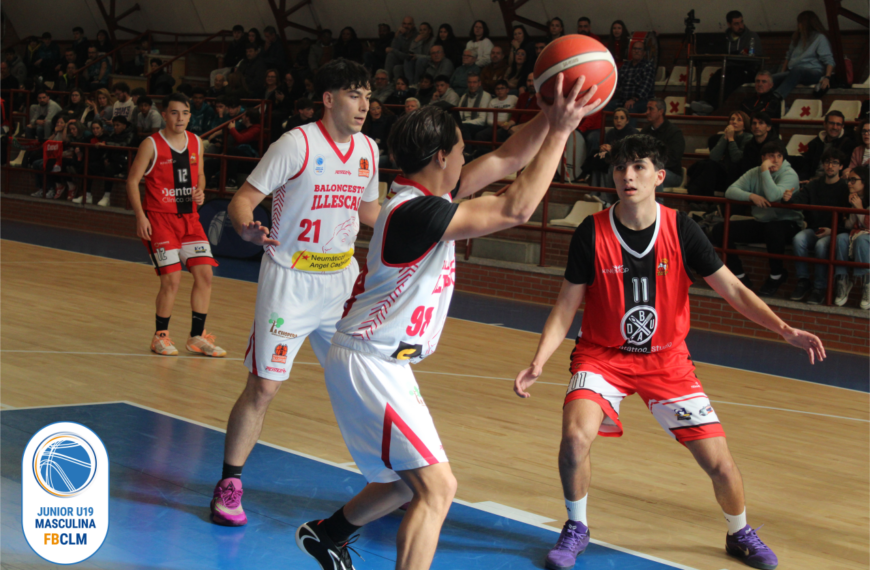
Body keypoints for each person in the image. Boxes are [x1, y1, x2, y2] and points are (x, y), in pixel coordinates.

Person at [296, 73, 600, 570]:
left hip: (381, 362)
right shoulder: (417, 213)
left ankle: (328, 535)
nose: (466, 159)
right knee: (438, 488)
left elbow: (506, 160)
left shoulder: (422, 194)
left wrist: (549, 115)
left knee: (401, 482)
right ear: (440, 157)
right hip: (369, 362)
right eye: (460, 150)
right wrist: (564, 133)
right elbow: (515, 207)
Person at [514, 133, 824, 570]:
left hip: (667, 360)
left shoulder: (681, 228)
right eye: (621, 168)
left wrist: (783, 327)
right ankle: (576, 526)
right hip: (603, 355)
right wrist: (539, 360)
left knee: (719, 463)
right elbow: (566, 304)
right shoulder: (592, 231)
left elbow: (732, 288)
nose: (627, 175)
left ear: (659, 176)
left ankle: (740, 533)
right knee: (573, 438)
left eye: (638, 167)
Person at [209, 59, 382, 528]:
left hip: (342, 283)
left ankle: (388, 481)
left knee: (365, 382)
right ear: (328, 99)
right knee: (264, 386)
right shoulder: (297, 143)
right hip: (290, 278)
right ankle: (229, 483)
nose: (364, 105)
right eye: (353, 94)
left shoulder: (369, 150)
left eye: (367, 95)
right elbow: (244, 199)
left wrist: (418, 221)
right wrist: (245, 229)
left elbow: (371, 213)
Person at [125, 92, 224, 358]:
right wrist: (140, 215)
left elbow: (200, 175)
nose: (180, 118)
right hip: (160, 219)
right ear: (165, 115)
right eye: (174, 112)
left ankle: (197, 337)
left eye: (185, 113)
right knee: (172, 280)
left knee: (205, 275)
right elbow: (133, 181)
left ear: (190, 115)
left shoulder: (196, 142)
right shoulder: (151, 144)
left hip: (190, 219)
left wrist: (201, 191)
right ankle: (161, 337)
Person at [711, 141, 802, 295]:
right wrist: (751, 196)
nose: (776, 159)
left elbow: (773, 196)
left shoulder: (790, 174)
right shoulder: (754, 172)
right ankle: (739, 276)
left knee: (773, 230)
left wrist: (765, 170)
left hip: (788, 223)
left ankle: (777, 275)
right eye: (771, 156)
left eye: (779, 156)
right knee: (720, 230)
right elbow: (730, 191)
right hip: (763, 222)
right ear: (763, 158)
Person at [785, 148, 851, 304]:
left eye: (835, 163)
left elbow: (849, 220)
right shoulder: (814, 185)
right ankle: (803, 281)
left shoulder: (845, 188)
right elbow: (798, 200)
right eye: (827, 162)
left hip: (834, 231)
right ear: (823, 164)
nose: (830, 166)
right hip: (815, 229)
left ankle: (820, 288)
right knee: (798, 239)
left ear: (841, 167)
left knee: (822, 246)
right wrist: (788, 199)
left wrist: (833, 230)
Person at [690, 11, 764, 116]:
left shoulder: (752, 36)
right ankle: (705, 103)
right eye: (736, 24)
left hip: (748, 70)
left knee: (729, 79)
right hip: (730, 68)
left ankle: (712, 107)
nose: (741, 26)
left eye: (741, 22)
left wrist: (745, 54)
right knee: (716, 76)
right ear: (729, 24)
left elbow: (758, 55)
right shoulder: (724, 38)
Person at [686, 110, 752, 197]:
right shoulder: (725, 136)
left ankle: (703, 199)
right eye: (732, 119)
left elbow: (736, 158)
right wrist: (725, 137)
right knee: (706, 164)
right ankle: (699, 198)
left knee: (709, 167)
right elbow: (714, 157)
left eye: (739, 120)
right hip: (724, 172)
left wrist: (731, 139)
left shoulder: (748, 138)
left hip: (737, 175)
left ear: (745, 125)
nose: (734, 122)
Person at [773, 11, 834, 99]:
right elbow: (788, 56)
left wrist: (827, 77)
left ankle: (777, 97)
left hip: (813, 72)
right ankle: (769, 101)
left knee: (798, 70)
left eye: (799, 23)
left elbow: (829, 60)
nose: (798, 25)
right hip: (793, 72)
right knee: (771, 79)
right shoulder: (797, 38)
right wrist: (782, 73)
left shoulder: (820, 38)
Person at [834, 165, 870, 308]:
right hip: (857, 234)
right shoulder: (852, 198)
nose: (849, 183)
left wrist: (860, 209)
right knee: (841, 238)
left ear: (865, 181)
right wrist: (853, 209)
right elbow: (849, 226)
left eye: (853, 180)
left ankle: (867, 283)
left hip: (865, 236)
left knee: (861, 240)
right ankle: (842, 280)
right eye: (849, 180)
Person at [580, 107, 636, 187]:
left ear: (627, 121)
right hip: (610, 156)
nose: (618, 121)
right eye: (616, 118)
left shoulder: (632, 133)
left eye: (622, 118)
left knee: (607, 163)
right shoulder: (611, 132)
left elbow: (631, 150)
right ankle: (594, 192)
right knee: (597, 158)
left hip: (625, 159)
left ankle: (604, 196)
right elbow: (607, 146)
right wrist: (603, 148)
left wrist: (613, 149)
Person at [604, 41, 654, 125]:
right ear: (631, 51)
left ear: (644, 52)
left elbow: (646, 86)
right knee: (605, 107)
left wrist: (634, 99)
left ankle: (630, 136)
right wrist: (606, 96)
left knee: (630, 108)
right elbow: (616, 83)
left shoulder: (648, 66)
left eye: (639, 49)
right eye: (634, 49)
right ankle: (605, 133)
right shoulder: (625, 66)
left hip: (642, 101)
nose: (636, 51)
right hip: (623, 100)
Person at [640, 99, 685, 189]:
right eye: (647, 109)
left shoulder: (674, 132)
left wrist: (653, 166)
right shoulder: (645, 131)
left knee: (655, 174)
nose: (647, 112)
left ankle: (657, 203)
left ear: (661, 111)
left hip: (671, 173)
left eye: (651, 109)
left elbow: (674, 158)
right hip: (648, 168)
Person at [800, 110, 855, 182]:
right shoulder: (815, 143)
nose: (834, 127)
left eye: (838, 124)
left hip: (833, 184)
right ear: (825, 124)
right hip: (812, 182)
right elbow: (806, 167)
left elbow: (844, 170)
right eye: (832, 123)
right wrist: (804, 180)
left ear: (842, 126)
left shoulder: (848, 145)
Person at [471, 80, 517, 154]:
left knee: (499, 134)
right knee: (479, 135)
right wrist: (499, 123)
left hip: (509, 124)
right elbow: (489, 121)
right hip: (496, 125)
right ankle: (480, 155)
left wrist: (506, 123)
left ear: (507, 90)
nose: (500, 91)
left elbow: (517, 111)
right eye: (497, 89)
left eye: (502, 88)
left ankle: (499, 155)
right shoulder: (493, 101)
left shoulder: (514, 98)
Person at [457, 74, 492, 140]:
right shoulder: (464, 96)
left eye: (474, 82)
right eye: (470, 82)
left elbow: (482, 120)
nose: (472, 85)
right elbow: (459, 115)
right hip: (464, 123)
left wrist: (463, 123)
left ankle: (468, 150)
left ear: (479, 83)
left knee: (463, 128)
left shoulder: (486, 96)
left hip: (478, 125)